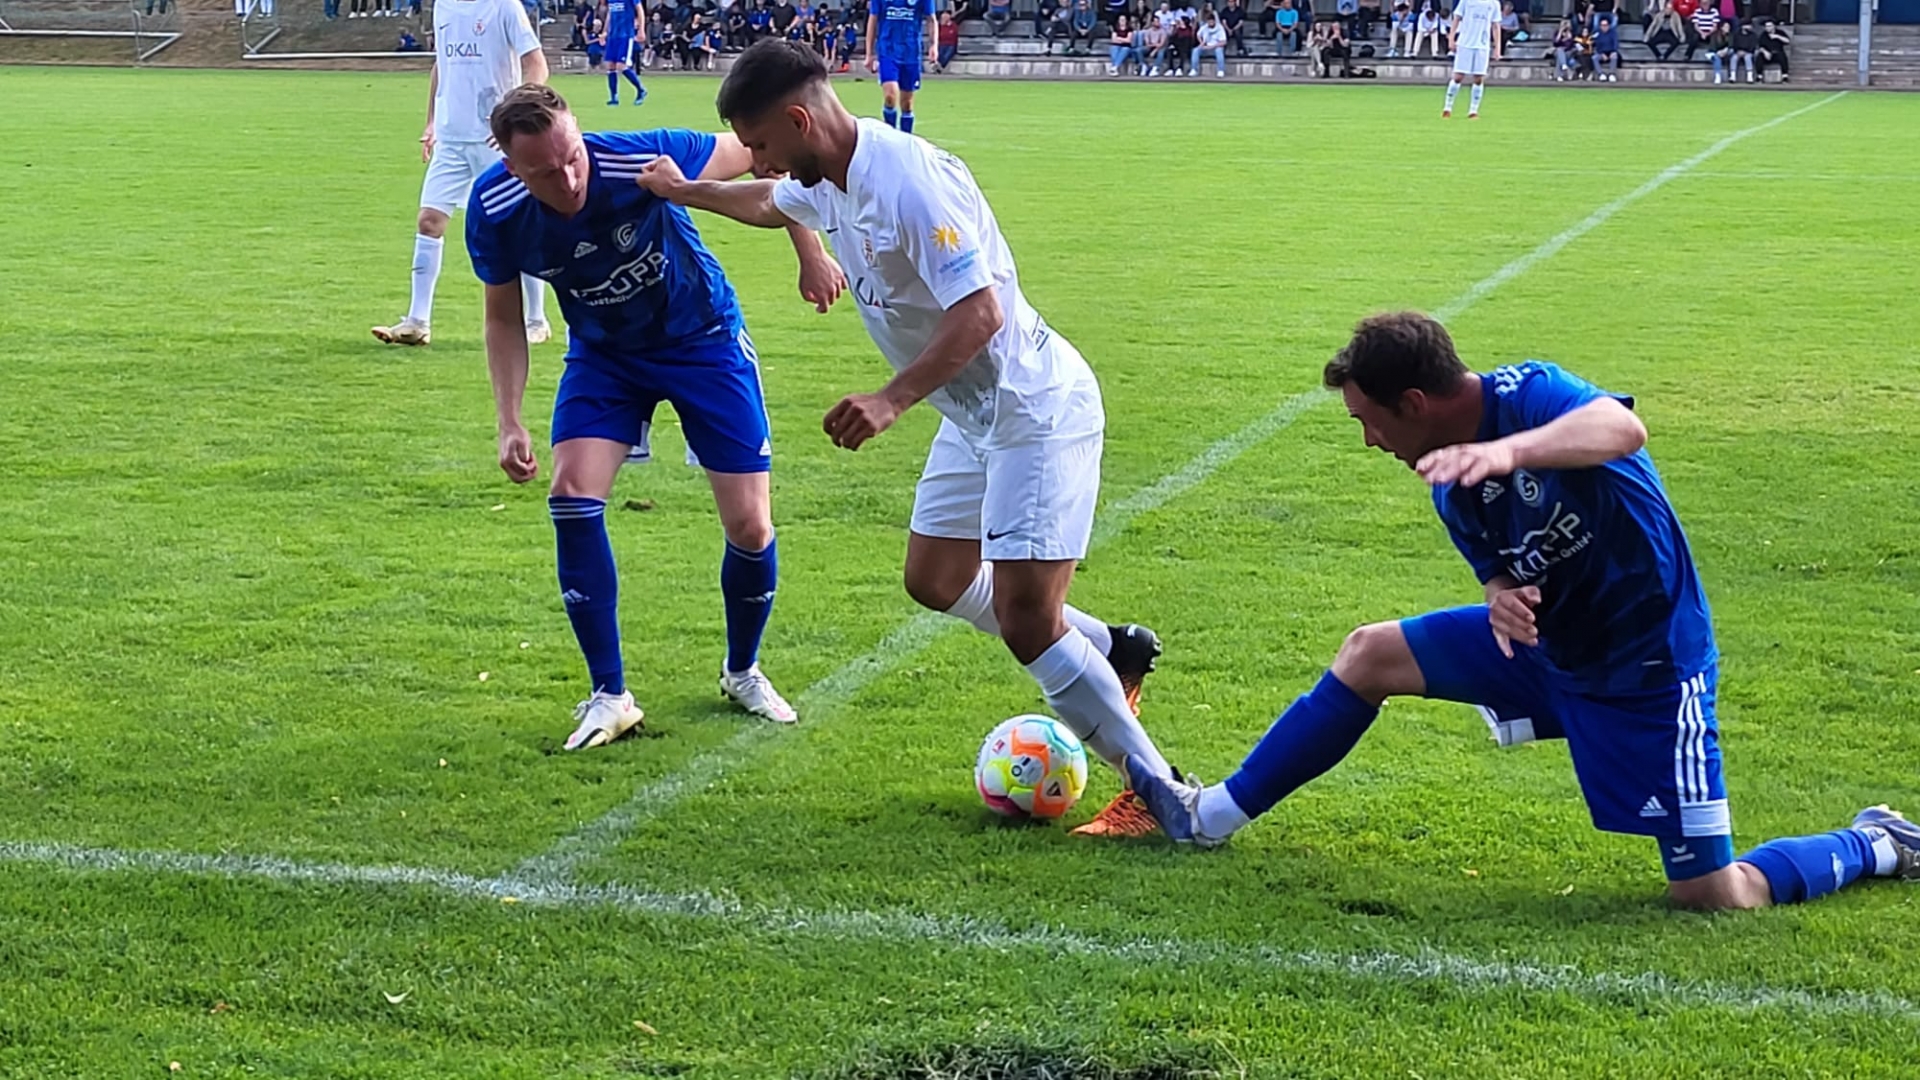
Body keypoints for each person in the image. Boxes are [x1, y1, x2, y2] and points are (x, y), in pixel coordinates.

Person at [1124, 312, 1920, 911]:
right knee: (1370, 655)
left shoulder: (1532, 394)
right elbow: (1498, 576)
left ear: (1414, 402)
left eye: (1369, 419)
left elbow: (1623, 427)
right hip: (1547, 652)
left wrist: (1509, 451)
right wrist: (1501, 602)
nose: (1368, 440)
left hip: (1646, 671)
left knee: (1714, 895)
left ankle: (1876, 840)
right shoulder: (1449, 482)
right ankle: (1209, 817)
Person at [637, 40, 1186, 839]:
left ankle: (1160, 793)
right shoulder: (823, 177)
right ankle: (1111, 649)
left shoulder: (907, 182)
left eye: (759, 142)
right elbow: (767, 202)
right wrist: (684, 190)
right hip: (970, 413)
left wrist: (891, 399)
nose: (757, 160)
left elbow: (981, 312)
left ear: (799, 120)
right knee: (936, 577)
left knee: (1029, 619)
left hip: (1031, 408)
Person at [465, 85, 848, 748]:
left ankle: (742, 671)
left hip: (703, 340)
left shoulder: (640, 158)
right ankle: (609, 696)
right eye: (546, 172)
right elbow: (502, 317)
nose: (569, 179)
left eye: (573, 157)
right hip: (606, 357)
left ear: (580, 132)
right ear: (508, 165)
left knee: (750, 525)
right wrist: (508, 419)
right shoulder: (494, 209)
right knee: (571, 494)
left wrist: (809, 250)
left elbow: (766, 159)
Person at [371, 0, 552, 349]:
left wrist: (515, 118)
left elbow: (536, 64)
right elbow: (442, 65)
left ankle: (536, 320)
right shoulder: (443, 6)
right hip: (451, 139)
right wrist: (431, 122)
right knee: (429, 222)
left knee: (516, 227)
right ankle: (417, 322)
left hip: (495, 141)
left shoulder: (504, 6)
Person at [866, 0, 936, 130]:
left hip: (911, 52)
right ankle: (890, 135)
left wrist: (934, 45)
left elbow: (931, 19)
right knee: (890, 95)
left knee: (907, 104)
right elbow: (873, 20)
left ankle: (906, 137)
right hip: (887, 50)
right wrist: (869, 54)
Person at [1444, 0, 1500, 118]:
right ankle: (1447, 107)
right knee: (1458, 77)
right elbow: (1456, 19)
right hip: (1465, 43)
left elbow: (1495, 26)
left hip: (1482, 45)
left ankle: (1473, 111)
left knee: (1479, 78)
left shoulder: (1494, 3)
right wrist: (1451, 38)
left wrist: (1497, 47)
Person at [1196, 9, 1228, 73]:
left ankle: (1220, 70)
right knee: (1195, 50)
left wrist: (1213, 46)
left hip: (1216, 47)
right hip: (1206, 47)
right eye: (1209, 22)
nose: (1210, 23)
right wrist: (1201, 43)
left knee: (1219, 51)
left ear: (1214, 21)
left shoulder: (1220, 28)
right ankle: (1194, 69)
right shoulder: (1204, 27)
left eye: (1212, 22)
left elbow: (1224, 42)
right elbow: (1198, 34)